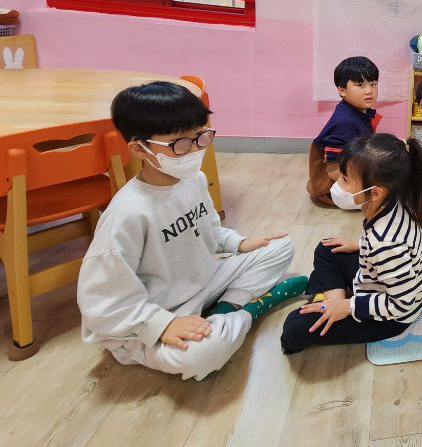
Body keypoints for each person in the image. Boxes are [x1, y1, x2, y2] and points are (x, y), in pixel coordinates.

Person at [77, 82, 304, 382]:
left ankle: (223, 311)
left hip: (205, 282)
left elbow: (209, 231)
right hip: (158, 312)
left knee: (282, 246)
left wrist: (239, 243)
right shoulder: (128, 213)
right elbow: (100, 303)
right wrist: (162, 324)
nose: (196, 149)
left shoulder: (193, 180)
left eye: (200, 136)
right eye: (179, 144)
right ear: (139, 148)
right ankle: (249, 310)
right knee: (201, 355)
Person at [281, 134, 422, 352]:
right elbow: (391, 243)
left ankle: (335, 305)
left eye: (345, 179)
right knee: (327, 248)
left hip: (390, 317)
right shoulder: (394, 199)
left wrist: (348, 306)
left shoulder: (386, 245)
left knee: (293, 328)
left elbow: (402, 304)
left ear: (375, 192)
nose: (337, 184)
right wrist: (360, 245)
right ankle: (334, 304)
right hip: (373, 280)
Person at [307, 56, 381, 207]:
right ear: (342, 91)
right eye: (360, 85)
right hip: (332, 189)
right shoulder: (345, 123)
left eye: (373, 84)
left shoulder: (357, 112)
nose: (369, 90)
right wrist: (369, 181)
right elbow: (334, 171)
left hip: (351, 172)